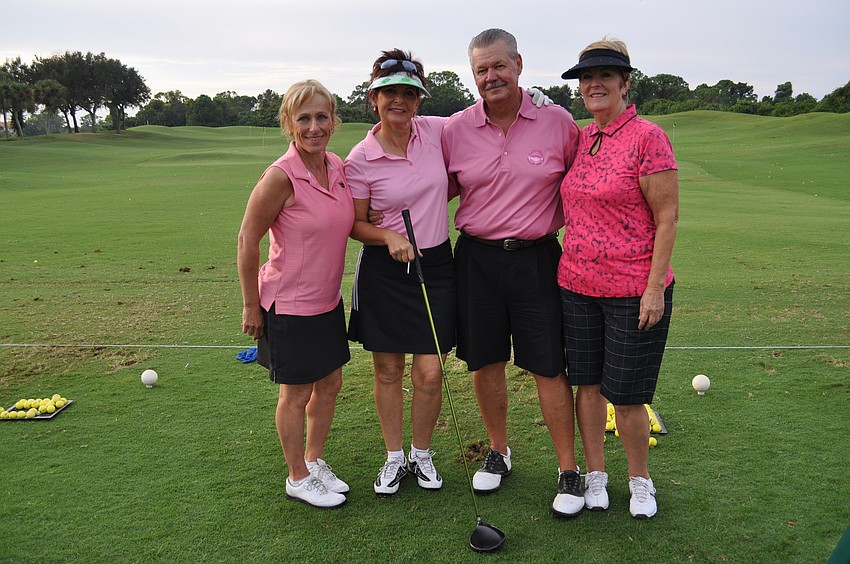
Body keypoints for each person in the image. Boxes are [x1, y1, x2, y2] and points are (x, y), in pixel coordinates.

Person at [441, 28, 584, 517]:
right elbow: (431, 186)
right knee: (484, 362)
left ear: (519, 64)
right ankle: (499, 451)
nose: (490, 77)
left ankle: (568, 468)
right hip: (476, 259)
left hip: (537, 258)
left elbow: (586, 182)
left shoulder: (558, 122)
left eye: (498, 66)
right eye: (481, 69)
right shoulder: (455, 128)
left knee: (548, 364)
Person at [558, 38, 679, 519]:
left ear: (626, 83)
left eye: (606, 76)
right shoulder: (582, 138)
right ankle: (595, 475)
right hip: (576, 286)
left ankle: (639, 480)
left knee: (627, 396)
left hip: (634, 291)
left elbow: (666, 218)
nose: (594, 84)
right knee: (586, 386)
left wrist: (654, 289)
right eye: (587, 78)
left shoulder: (648, 137)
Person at [237, 79, 355, 509]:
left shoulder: (336, 167)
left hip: (327, 301)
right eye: (303, 118)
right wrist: (251, 304)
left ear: (333, 120)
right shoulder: (279, 176)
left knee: (331, 383)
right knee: (296, 392)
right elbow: (248, 239)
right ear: (289, 123)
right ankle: (297, 476)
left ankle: (314, 459)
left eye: (321, 116)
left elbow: (345, 218)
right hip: (288, 304)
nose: (313, 127)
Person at [345, 50, 455, 496]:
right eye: (390, 92)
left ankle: (421, 455)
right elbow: (354, 223)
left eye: (408, 93)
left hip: (436, 265)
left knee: (429, 373)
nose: (399, 100)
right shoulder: (360, 158)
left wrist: (538, 100)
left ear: (419, 100)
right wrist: (387, 237)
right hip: (386, 272)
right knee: (388, 370)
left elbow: (486, 114)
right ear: (374, 98)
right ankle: (394, 458)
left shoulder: (437, 132)